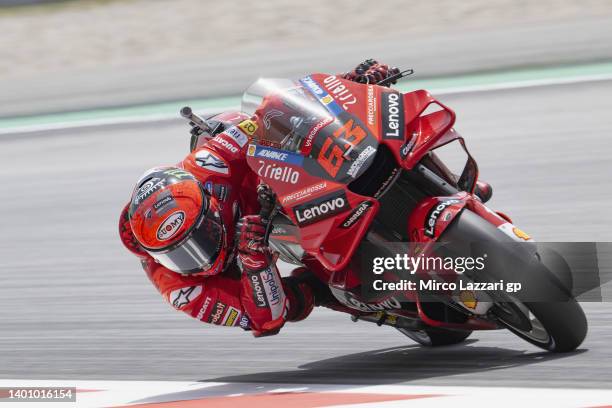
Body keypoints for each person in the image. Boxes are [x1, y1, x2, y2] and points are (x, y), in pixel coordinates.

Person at [118, 60, 492, 337]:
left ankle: (448, 186)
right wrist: (255, 264)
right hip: (263, 254)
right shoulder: (181, 288)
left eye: (199, 239)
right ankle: (379, 299)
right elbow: (264, 319)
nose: (198, 256)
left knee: (367, 139)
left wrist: (351, 84)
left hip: (280, 190)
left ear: (211, 202)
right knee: (302, 295)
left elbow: (268, 116)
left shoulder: (209, 164)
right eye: (179, 254)